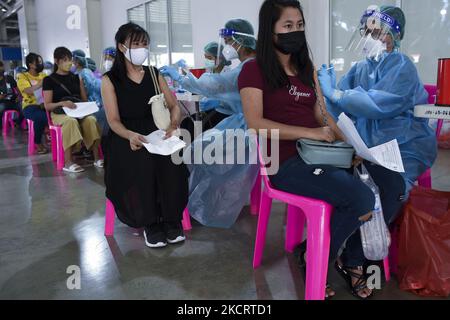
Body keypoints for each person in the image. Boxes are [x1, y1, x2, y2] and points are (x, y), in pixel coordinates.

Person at [239, 0, 388, 299]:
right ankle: (314, 257)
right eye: (288, 26)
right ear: (270, 30)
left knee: (388, 179)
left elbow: (323, 115)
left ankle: (340, 255)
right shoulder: (254, 70)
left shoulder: (305, 68)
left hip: (321, 154)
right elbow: (255, 123)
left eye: (300, 25)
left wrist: (348, 143)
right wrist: (310, 133)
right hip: (283, 163)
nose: (296, 32)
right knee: (359, 197)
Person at [318, 5, 437, 194]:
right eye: (367, 32)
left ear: (396, 37)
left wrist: (337, 94)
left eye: (378, 33)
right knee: (336, 183)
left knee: (385, 192)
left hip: (403, 146)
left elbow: (376, 105)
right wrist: (327, 96)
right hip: (366, 146)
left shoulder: (403, 67)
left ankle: (387, 213)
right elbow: (340, 110)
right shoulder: (360, 68)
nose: (370, 38)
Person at [163, 19, 260, 229]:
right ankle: (198, 200)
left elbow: (214, 84)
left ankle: (194, 204)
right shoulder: (250, 65)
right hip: (243, 123)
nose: (226, 46)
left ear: (241, 42)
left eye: (228, 41)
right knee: (200, 146)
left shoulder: (247, 68)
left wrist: (182, 78)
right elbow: (233, 93)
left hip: (246, 128)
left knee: (195, 151)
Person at [101, 23, 189, 248]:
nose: (142, 48)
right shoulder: (110, 80)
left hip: (157, 131)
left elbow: (174, 105)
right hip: (126, 135)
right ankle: (150, 222)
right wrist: (130, 135)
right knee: (143, 161)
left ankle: (171, 219)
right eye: (136, 44)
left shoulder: (153, 73)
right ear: (122, 47)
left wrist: (173, 123)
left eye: (145, 44)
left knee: (173, 159)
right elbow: (113, 121)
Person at [43, 47, 103, 173]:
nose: (69, 63)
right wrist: (62, 103)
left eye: (70, 59)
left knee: (91, 120)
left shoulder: (77, 78)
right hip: (59, 112)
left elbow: (84, 99)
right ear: (56, 61)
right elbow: (47, 105)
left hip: (78, 110)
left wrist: (88, 108)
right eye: (65, 60)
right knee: (70, 122)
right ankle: (68, 161)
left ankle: (96, 157)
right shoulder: (49, 80)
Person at [16, 54, 49, 154]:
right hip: (30, 106)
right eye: (38, 62)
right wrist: (40, 84)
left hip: (44, 104)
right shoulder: (22, 76)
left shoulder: (43, 75)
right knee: (42, 117)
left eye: (41, 61)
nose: (40, 64)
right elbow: (28, 91)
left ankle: (40, 140)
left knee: (47, 116)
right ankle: (38, 142)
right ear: (30, 64)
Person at [0, 61, 22, 131]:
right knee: (2, 107)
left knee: (24, 105)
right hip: (2, 103)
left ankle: (18, 123)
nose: (1, 69)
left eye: (1, 67)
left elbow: (17, 90)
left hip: (14, 101)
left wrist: (19, 96)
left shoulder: (9, 78)